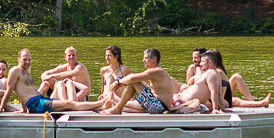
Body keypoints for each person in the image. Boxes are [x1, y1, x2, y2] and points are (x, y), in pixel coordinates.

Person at [58, 48, 188, 115]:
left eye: (146, 58)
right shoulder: (156, 71)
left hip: (160, 107)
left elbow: (133, 78)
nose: (143, 61)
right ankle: (114, 105)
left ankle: (116, 108)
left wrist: (118, 82)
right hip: (157, 104)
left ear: (154, 59)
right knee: (128, 89)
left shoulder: (156, 71)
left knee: (133, 82)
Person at [207, 48, 272, 107]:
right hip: (219, 96)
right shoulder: (211, 70)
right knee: (236, 100)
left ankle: (253, 101)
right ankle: (259, 103)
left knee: (236, 77)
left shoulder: (218, 71)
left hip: (221, 96)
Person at [0, 48, 56, 113]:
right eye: (24, 59)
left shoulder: (27, 70)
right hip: (36, 104)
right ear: (18, 59)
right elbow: (8, 91)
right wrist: (0, 109)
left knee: (63, 101)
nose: (27, 62)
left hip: (40, 100)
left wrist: (24, 110)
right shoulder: (15, 71)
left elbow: (24, 92)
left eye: (29, 60)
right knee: (68, 104)